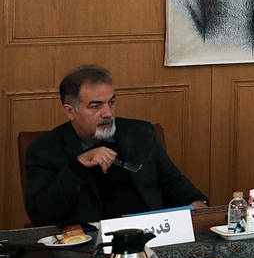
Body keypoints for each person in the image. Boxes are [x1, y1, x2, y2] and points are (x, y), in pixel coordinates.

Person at [24, 66, 207, 225]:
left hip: (152, 231)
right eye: (96, 106)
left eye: (111, 103)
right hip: (90, 241)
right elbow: (41, 215)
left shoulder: (141, 133)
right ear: (70, 111)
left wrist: (196, 202)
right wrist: (79, 165)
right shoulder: (45, 150)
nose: (108, 113)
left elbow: (172, 182)